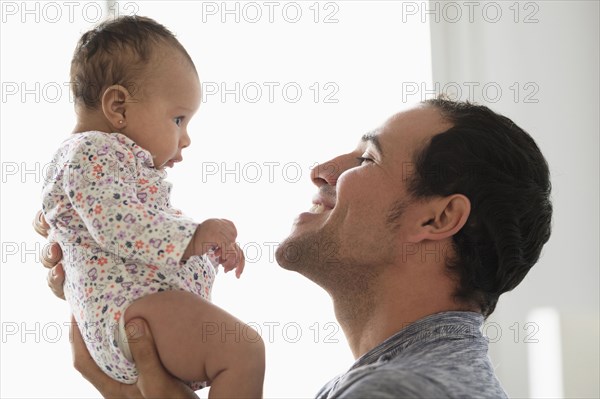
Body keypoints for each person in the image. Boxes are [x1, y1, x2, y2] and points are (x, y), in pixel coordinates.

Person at [37, 97, 552, 398]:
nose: (323, 170)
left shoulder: (391, 394)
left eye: (367, 158)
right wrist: (114, 281)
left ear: (439, 218)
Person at [38, 15, 265, 398]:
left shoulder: (107, 162)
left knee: (239, 351)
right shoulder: (90, 151)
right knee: (244, 352)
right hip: (131, 314)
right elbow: (120, 226)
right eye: (178, 118)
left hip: (139, 312)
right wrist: (195, 236)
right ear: (118, 107)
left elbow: (132, 224)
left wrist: (206, 248)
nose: (186, 138)